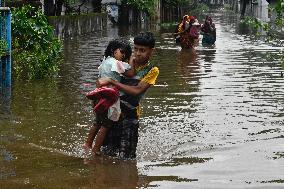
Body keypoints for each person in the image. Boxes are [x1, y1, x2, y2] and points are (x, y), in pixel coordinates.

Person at [97, 31, 159, 159]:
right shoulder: (123, 60)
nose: (137, 53)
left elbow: (136, 91)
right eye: (135, 49)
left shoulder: (152, 70)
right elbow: (105, 74)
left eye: (142, 50)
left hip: (130, 115)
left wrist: (112, 82)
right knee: (107, 152)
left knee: (127, 158)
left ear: (151, 51)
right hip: (113, 111)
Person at [83, 39, 135, 155]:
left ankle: (87, 144)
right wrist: (132, 58)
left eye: (126, 54)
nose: (124, 55)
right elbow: (131, 73)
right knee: (106, 126)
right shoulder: (116, 63)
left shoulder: (104, 62)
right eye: (122, 52)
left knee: (97, 122)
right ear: (113, 51)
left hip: (98, 95)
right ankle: (96, 151)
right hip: (109, 97)